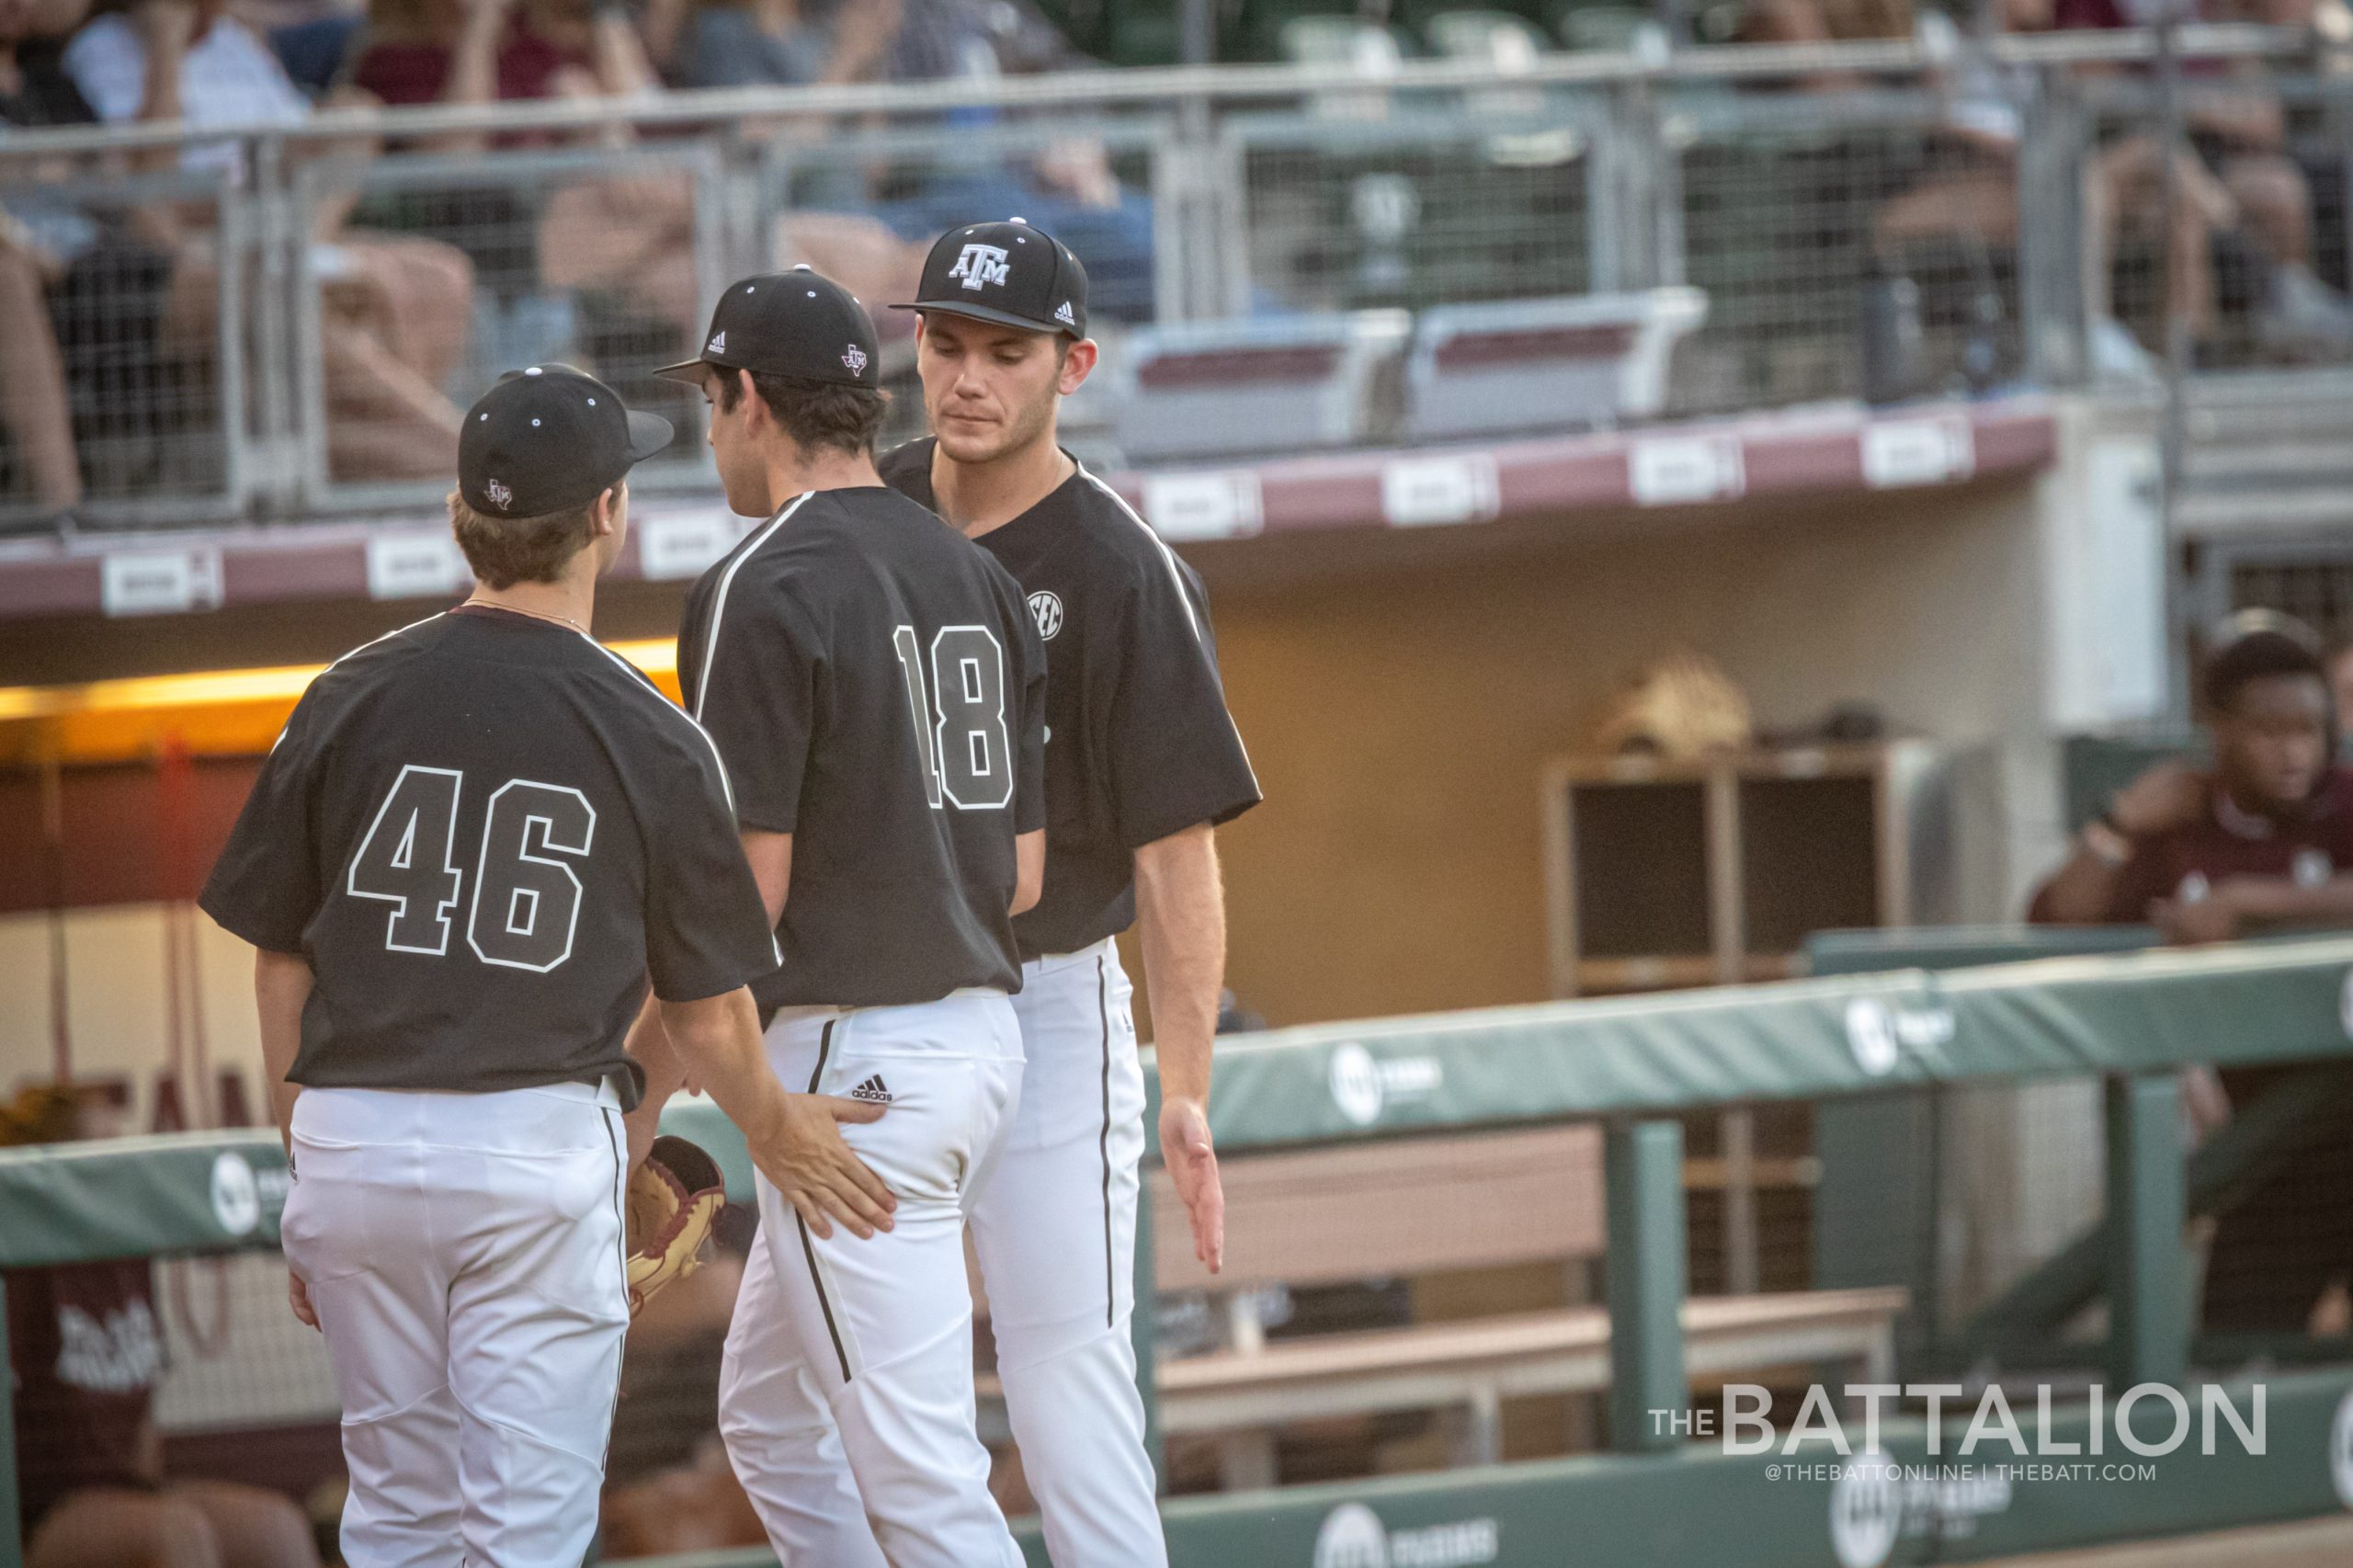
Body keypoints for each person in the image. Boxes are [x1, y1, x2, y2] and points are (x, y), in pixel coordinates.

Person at [196, 362, 894, 1565]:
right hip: (527, 1148)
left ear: (463, 515)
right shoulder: (654, 732)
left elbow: (279, 962)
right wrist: (775, 1125)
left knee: (398, 1521)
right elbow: (708, 1009)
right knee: (523, 1533)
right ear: (608, 515)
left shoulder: (343, 694)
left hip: (352, 1138)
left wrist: (309, 1163)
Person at [874, 219, 1261, 1566]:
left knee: (1065, 1383)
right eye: (943, 344)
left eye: (1003, 351)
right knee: (807, 1396)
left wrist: (1189, 1084)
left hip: (1044, 1002)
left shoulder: (1119, 565)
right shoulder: (860, 516)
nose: (966, 378)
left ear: (1072, 364)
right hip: (871, 1005)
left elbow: (1177, 853)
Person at [649, 267, 1045, 1568]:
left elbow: (737, 899)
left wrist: (655, 1097)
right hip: (982, 1046)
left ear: (749, 397)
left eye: (711, 402)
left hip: (852, 1082)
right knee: (768, 1419)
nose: (713, 432)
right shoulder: (968, 563)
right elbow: (1025, 869)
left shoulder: (757, 576)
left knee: (922, 1476)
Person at [2030, 610, 2353, 1336]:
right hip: (2263, 1151)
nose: (2294, 752)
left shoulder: (2342, 802)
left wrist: (2253, 909)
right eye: (2271, 732)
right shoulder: (2183, 820)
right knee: (2238, 1360)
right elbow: (2054, 924)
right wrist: (2117, 825)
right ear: (2220, 731)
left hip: (2345, 1116)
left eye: (2308, 730)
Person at [4, 1085, 323, 1568]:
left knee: (278, 1528)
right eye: (106, 1154)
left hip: (129, 1493)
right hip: (42, 1511)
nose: (128, 1169)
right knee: (175, 1536)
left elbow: (141, 1427)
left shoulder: (131, 1252)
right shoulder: (23, 1263)